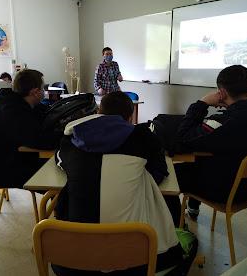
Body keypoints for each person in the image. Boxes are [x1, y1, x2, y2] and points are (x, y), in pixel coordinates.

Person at [53, 91, 196, 276]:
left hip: (75, 262)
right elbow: (159, 173)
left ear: (98, 111)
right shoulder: (143, 137)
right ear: (130, 118)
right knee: (187, 240)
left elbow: (60, 163)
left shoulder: (72, 137)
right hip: (134, 260)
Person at [166, 65, 247, 222]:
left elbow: (182, 139)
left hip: (226, 191)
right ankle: (193, 209)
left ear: (221, 92)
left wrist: (202, 103)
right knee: (203, 158)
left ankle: (175, 228)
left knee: (168, 173)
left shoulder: (223, 122)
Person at [0, 69, 61, 188]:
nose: (44, 92)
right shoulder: (13, 111)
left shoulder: (18, 102)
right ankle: (59, 204)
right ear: (35, 92)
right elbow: (39, 141)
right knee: (62, 172)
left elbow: (44, 114)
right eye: (42, 89)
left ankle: (58, 203)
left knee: (61, 165)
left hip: (9, 159)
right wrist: (65, 136)